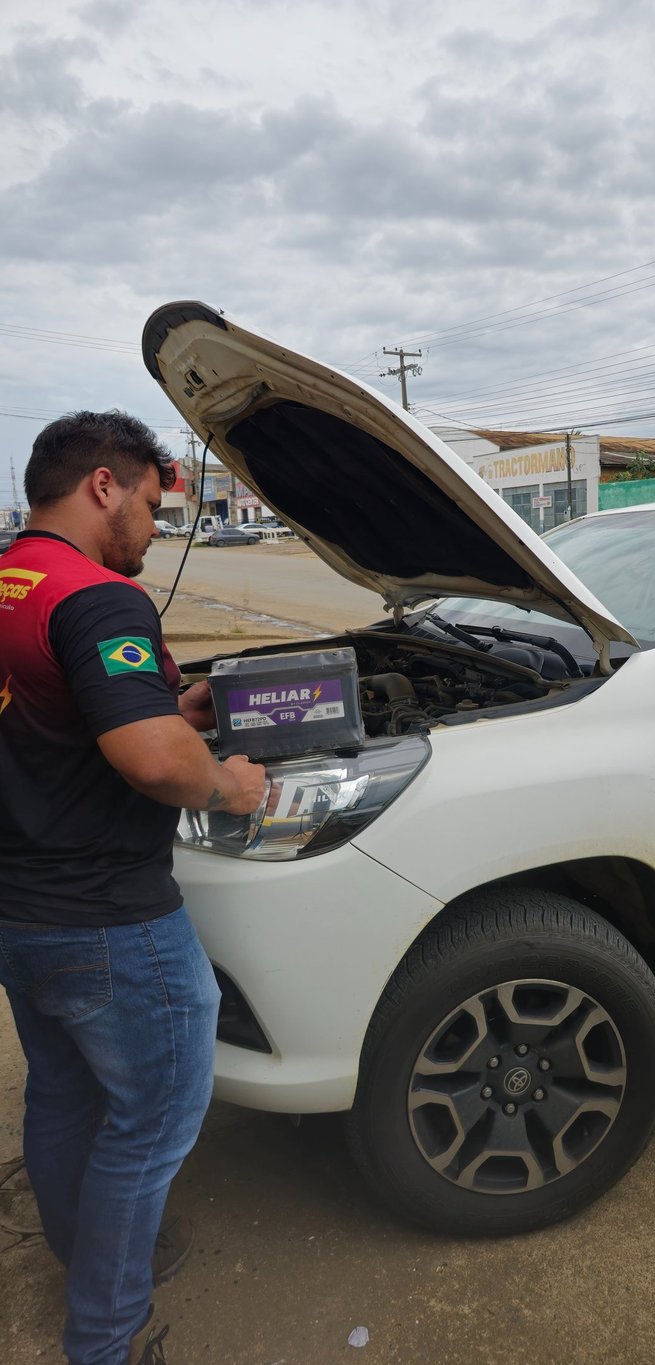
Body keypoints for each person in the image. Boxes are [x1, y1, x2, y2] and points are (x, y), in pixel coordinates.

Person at [0, 411, 266, 1364]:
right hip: (112, 921)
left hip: (21, 910)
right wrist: (227, 782)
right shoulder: (98, 597)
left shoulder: (12, 581)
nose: (156, 527)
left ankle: (80, 1258)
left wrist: (162, 700)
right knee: (150, 1128)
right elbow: (157, 765)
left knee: (66, 1096)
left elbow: (65, 713)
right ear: (102, 487)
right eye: (152, 505)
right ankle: (105, 1338)